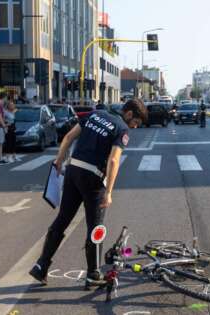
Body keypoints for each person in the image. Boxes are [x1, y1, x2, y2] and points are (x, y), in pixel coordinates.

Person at [29, 99, 147, 287]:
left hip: (73, 171)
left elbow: (68, 137)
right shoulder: (121, 128)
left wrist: (59, 161)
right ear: (130, 114)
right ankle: (93, 273)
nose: (134, 127)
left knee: (63, 219)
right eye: (136, 123)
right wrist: (108, 192)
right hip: (93, 178)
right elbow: (114, 161)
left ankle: (41, 265)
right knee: (96, 227)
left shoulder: (94, 114)